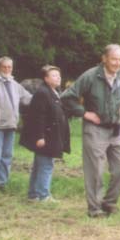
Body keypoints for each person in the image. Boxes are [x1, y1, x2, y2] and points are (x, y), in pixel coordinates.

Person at [61, 44, 120, 218]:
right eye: (114, 59)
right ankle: (94, 209)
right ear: (104, 58)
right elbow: (67, 98)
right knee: (96, 170)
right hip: (95, 130)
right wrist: (85, 113)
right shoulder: (91, 76)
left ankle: (109, 202)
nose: (117, 63)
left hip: (115, 128)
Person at [0, 56, 32, 194]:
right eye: (4, 67)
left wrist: (45, 97)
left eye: (10, 67)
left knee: (7, 156)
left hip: (11, 125)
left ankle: (1, 183)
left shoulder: (15, 84)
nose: (7, 69)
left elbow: (28, 99)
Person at [20, 65, 70, 203]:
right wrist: (40, 136)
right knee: (46, 165)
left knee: (39, 166)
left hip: (51, 136)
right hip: (45, 137)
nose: (58, 77)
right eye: (54, 75)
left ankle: (33, 195)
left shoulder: (53, 92)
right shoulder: (43, 93)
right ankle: (44, 196)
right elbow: (38, 117)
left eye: (58, 75)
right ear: (46, 78)